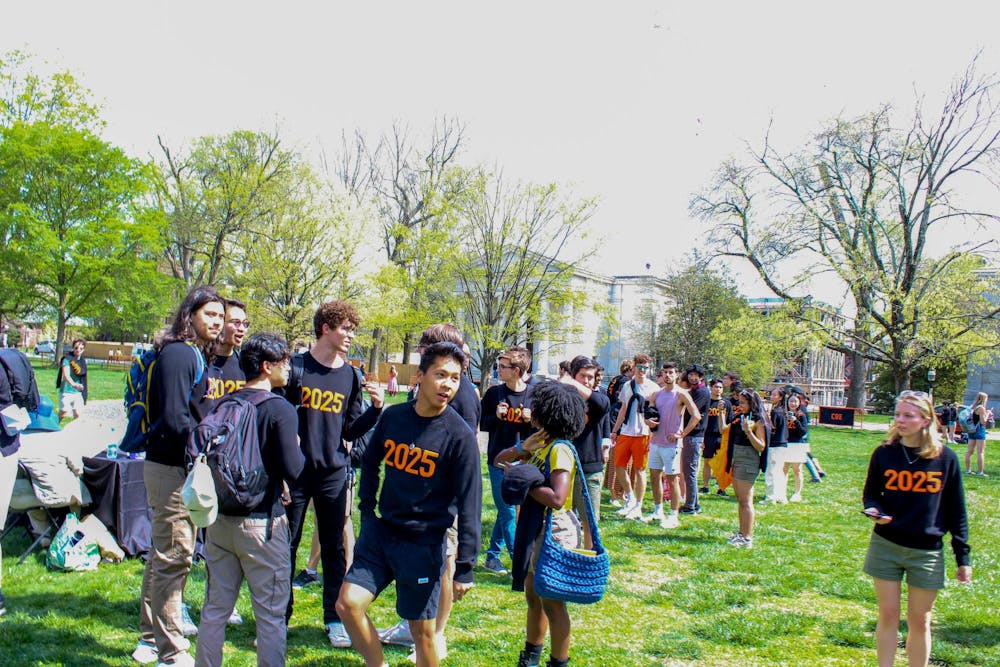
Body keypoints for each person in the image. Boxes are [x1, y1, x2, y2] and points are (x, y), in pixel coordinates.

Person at [336, 342, 482, 667]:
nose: (448, 384)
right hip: (381, 534)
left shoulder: (458, 436)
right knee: (347, 604)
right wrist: (366, 510)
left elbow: (471, 502)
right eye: (441, 374)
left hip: (423, 544)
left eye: (455, 378)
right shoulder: (394, 417)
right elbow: (371, 461)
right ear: (420, 376)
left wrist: (466, 566)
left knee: (422, 633)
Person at [194, 334, 305, 667]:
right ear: (268, 367)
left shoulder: (224, 403)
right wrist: (296, 446)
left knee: (215, 609)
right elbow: (294, 469)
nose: (288, 367)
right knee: (270, 615)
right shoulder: (279, 409)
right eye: (283, 361)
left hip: (219, 520)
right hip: (263, 525)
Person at [280, 300, 384, 647]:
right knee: (286, 546)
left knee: (335, 549)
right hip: (295, 473)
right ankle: (279, 618)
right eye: (346, 328)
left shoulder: (351, 376)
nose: (351, 335)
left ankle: (333, 618)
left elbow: (352, 430)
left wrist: (377, 409)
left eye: (354, 329)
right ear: (325, 328)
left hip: (333, 474)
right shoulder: (295, 368)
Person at [135, 286, 225, 667]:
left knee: (163, 556)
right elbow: (173, 419)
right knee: (175, 557)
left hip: (173, 465)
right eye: (210, 314)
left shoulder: (191, 354)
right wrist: (202, 446)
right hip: (170, 466)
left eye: (220, 316)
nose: (217, 322)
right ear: (189, 315)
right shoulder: (178, 354)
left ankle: (149, 639)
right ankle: (171, 650)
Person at [378, 324, 481, 660]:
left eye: (425, 344)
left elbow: (459, 447)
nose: (420, 349)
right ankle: (413, 626)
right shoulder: (432, 384)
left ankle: (436, 634)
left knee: (444, 564)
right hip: (418, 497)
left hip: (442, 501)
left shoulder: (459, 392)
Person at [862, 390, 971, 667]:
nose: (900, 420)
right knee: (887, 614)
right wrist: (874, 510)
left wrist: (963, 558)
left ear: (925, 420)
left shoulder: (945, 459)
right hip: (886, 544)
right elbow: (871, 494)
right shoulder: (884, 453)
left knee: (920, 620)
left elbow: (957, 511)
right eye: (898, 414)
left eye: (908, 415)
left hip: (926, 551)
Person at [494, 380, 587, 667]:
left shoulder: (560, 449)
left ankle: (558, 661)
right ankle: (530, 656)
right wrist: (522, 448)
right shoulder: (539, 444)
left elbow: (558, 498)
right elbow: (498, 460)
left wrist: (522, 480)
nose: (530, 410)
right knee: (534, 595)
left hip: (555, 529)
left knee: (552, 601)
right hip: (538, 526)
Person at [480, 347, 535, 575]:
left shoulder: (533, 394)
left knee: (507, 512)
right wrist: (496, 416)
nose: (498, 370)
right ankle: (520, 565)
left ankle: (492, 557)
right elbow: (483, 424)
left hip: (524, 462)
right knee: (509, 512)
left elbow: (540, 430)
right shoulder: (495, 394)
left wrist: (531, 420)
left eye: (502, 366)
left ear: (516, 370)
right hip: (498, 461)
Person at [560, 355, 610, 541]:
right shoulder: (564, 399)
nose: (587, 381)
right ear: (574, 375)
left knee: (590, 524)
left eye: (591, 377)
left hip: (589, 470)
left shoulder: (599, 399)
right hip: (564, 468)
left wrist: (572, 383)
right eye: (583, 376)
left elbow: (602, 405)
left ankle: (588, 564)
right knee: (562, 522)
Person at [644, 362, 700, 528]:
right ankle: (657, 510)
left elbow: (696, 416)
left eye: (671, 373)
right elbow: (651, 416)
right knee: (654, 476)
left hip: (671, 445)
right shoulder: (656, 394)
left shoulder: (681, 394)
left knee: (672, 479)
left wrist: (681, 434)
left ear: (676, 375)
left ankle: (673, 515)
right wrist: (649, 422)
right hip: (655, 441)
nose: (668, 375)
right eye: (665, 372)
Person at [610, 354, 658, 520]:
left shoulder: (653, 388)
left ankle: (638, 504)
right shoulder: (627, 386)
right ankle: (629, 497)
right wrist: (615, 430)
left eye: (645, 367)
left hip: (643, 433)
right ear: (634, 368)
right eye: (640, 367)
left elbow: (657, 413)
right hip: (626, 430)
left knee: (640, 469)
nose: (643, 370)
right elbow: (623, 408)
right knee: (619, 465)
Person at [726, 389, 770, 549]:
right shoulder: (741, 417)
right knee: (740, 500)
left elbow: (761, 446)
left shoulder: (758, 420)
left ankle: (747, 537)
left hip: (748, 461)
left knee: (746, 501)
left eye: (743, 402)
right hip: (737, 458)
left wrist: (748, 432)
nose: (740, 405)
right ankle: (741, 532)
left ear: (752, 404)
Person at [679, 365, 710, 514]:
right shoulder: (694, 391)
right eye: (690, 374)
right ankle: (695, 503)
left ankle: (689, 505)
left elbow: (691, 409)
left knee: (689, 471)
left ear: (701, 377)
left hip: (694, 435)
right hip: (691, 435)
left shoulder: (702, 392)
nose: (692, 377)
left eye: (695, 375)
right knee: (688, 470)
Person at [700, 378, 733, 496]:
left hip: (722, 437)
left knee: (722, 463)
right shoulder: (706, 402)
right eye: (716, 387)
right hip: (708, 436)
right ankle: (705, 486)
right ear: (711, 388)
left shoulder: (726, 403)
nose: (718, 389)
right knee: (707, 462)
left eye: (720, 387)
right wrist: (702, 438)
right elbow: (702, 421)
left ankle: (721, 487)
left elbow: (730, 421)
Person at [762, 387, 789, 504]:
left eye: (774, 395)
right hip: (783, 444)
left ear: (780, 397)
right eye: (771, 395)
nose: (772, 397)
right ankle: (781, 496)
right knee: (779, 471)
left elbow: (771, 429)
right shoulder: (783, 411)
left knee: (771, 472)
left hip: (775, 444)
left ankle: (770, 497)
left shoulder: (776, 412)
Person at [783, 393, 809, 502]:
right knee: (783, 470)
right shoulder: (783, 414)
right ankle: (781, 492)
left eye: (795, 401)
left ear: (799, 403)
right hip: (785, 445)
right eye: (791, 401)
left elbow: (803, 432)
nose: (792, 403)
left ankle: (797, 493)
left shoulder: (801, 415)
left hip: (797, 445)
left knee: (797, 470)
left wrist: (795, 421)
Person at [57, 339, 87, 420]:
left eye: (81, 348)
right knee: (63, 413)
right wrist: (74, 384)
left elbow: (84, 377)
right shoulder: (66, 359)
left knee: (77, 414)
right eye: (76, 348)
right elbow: (66, 375)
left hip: (77, 392)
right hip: (66, 391)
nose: (78, 350)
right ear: (73, 348)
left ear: (83, 350)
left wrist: (84, 389)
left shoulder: (82, 361)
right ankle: (54, 426)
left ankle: (75, 431)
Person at [964, 392, 989, 476]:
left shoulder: (972, 407)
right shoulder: (981, 408)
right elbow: (983, 421)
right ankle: (980, 472)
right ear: (984, 399)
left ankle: (968, 470)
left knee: (969, 452)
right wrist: (987, 414)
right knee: (980, 452)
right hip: (979, 430)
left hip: (971, 430)